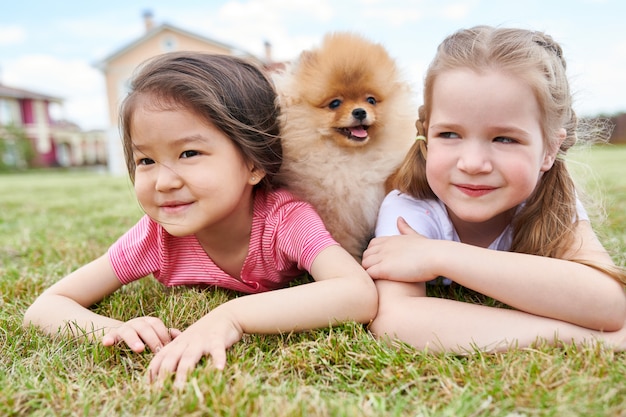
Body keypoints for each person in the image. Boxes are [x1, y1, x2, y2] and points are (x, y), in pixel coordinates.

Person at [24, 52, 377, 387]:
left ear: (253, 164)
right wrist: (114, 330)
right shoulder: (155, 237)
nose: (164, 182)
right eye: (146, 160)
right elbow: (45, 308)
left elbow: (358, 294)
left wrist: (232, 316)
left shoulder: (284, 220)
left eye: (189, 153)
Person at [362, 26, 626, 353]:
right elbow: (396, 319)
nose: (473, 163)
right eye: (450, 134)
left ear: (549, 150)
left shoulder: (551, 201)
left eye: (505, 139)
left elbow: (609, 304)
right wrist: (572, 336)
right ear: (427, 134)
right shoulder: (412, 207)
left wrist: (440, 256)